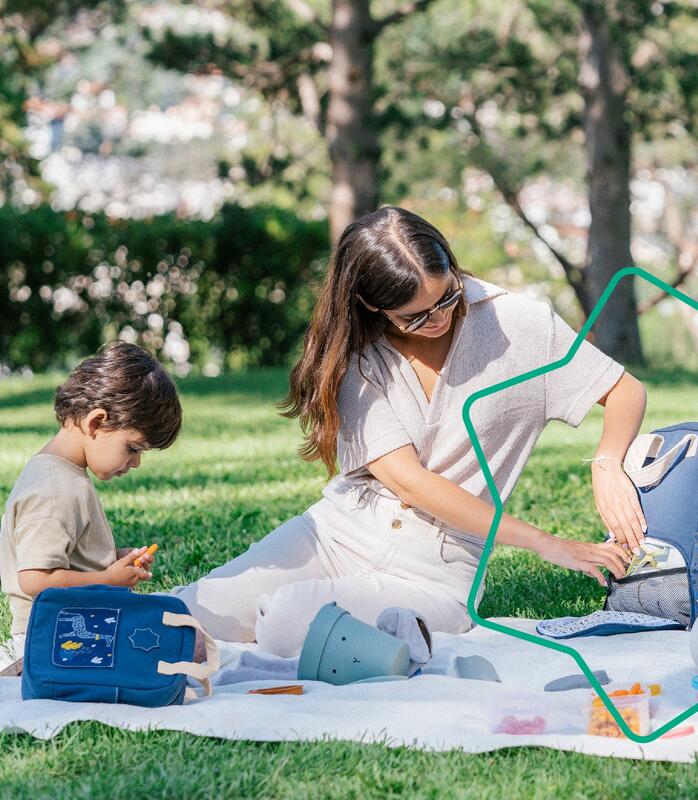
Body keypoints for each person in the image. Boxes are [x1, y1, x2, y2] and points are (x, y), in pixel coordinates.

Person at [175, 206, 647, 656]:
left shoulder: (519, 324)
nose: (437, 319)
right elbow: (407, 480)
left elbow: (624, 389)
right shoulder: (356, 352)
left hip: (436, 572)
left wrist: (607, 462)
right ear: (369, 303)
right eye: (414, 316)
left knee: (283, 623)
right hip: (338, 534)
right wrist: (546, 542)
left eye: (446, 297)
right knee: (184, 613)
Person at [0, 342, 182, 663]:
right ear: (96, 422)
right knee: (173, 643)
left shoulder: (65, 475)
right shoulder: (54, 489)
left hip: (71, 629)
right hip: (52, 642)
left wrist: (112, 560)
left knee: (176, 631)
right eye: (133, 448)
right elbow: (36, 580)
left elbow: (66, 559)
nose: (135, 463)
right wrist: (106, 579)